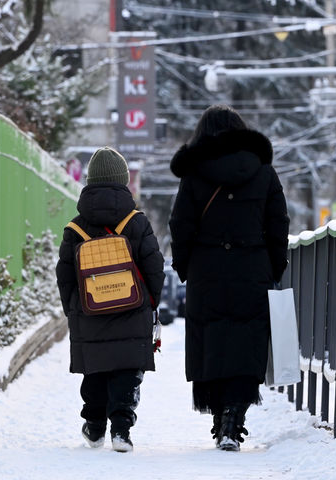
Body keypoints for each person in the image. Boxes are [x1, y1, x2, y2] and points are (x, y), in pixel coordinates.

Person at [169, 105, 289, 451]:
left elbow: (181, 225)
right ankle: (234, 420)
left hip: (207, 271)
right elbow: (278, 222)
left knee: (213, 342)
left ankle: (219, 417)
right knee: (245, 342)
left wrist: (185, 266)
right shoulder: (263, 172)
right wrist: (273, 266)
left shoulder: (194, 175)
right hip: (252, 268)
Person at [56, 147, 165, 452]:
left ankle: (93, 427)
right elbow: (154, 267)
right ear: (124, 181)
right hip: (132, 308)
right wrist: (151, 302)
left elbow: (64, 274)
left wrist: (72, 309)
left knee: (95, 369)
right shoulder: (136, 222)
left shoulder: (75, 227)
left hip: (89, 311)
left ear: (89, 181)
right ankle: (121, 429)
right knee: (126, 369)